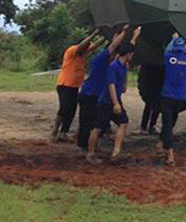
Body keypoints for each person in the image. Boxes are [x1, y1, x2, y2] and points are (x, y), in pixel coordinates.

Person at [87, 26, 141, 164]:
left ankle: (116, 152)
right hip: (106, 101)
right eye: (131, 54)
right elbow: (110, 85)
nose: (132, 56)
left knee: (123, 122)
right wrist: (116, 103)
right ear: (128, 54)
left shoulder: (123, 65)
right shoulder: (113, 67)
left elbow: (130, 47)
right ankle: (90, 154)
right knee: (98, 128)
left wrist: (135, 36)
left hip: (115, 100)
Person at [77, 24, 129, 153]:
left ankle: (91, 146)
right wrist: (125, 31)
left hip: (97, 95)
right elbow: (113, 46)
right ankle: (84, 148)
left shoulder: (110, 63)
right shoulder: (102, 58)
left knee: (98, 122)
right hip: (89, 94)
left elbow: (113, 44)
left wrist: (118, 35)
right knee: (87, 122)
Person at [51, 29, 102, 142]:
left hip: (74, 86)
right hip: (64, 84)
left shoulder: (83, 53)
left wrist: (106, 37)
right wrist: (94, 34)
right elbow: (82, 46)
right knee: (65, 108)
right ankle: (55, 130)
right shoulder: (72, 50)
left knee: (72, 110)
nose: (87, 50)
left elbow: (94, 46)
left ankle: (63, 132)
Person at [158, 33, 186, 166]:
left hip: (167, 95)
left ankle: (170, 154)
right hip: (180, 97)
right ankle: (162, 143)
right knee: (171, 123)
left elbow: (167, 50)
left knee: (167, 125)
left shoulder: (169, 58)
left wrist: (173, 38)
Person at [138, 63, 163, 133]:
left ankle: (151, 125)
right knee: (149, 106)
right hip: (151, 85)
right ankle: (144, 126)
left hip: (158, 84)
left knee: (156, 106)